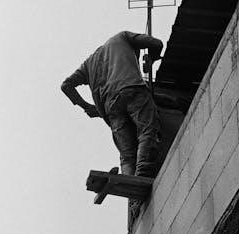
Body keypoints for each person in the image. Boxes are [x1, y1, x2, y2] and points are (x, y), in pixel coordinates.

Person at [61, 30, 163, 178]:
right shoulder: (123, 37)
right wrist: (151, 59)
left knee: (126, 153)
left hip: (111, 107)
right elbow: (156, 43)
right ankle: (143, 172)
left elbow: (66, 85)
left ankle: (131, 186)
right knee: (147, 130)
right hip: (132, 89)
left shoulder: (89, 64)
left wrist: (87, 107)